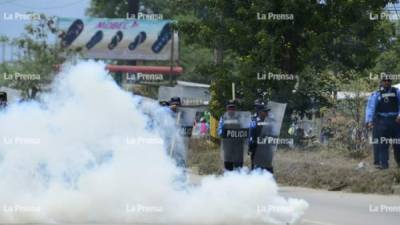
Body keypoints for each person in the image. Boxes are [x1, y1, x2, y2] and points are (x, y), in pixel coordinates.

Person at [365, 76, 400, 169]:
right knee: (383, 144)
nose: (387, 82)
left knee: (398, 144)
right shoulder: (376, 94)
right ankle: (384, 165)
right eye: (385, 81)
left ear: (391, 82)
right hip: (382, 121)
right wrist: (369, 121)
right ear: (381, 82)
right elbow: (371, 108)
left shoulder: (397, 91)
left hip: (396, 121)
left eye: (388, 80)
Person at [217, 100, 247, 171]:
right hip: (228, 146)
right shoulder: (223, 118)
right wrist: (223, 133)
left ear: (235, 109)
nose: (231, 110)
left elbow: (245, 130)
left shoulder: (240, 118)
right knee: (228, 168)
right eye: (230, 108)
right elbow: (219, 130)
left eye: (233, 108)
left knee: (239, 168)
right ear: (227, 109)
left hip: (238, 146)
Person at [249, 104, 275, 173]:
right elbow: (250, 135)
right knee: (256, 170)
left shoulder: (269, 121)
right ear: (260, 112)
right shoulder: (254, 121)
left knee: (269, 170)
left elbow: (272, 134)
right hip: (256, 149)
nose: (267, 113)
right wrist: (251, 145)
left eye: (267, 111)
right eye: (265, 111)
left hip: (266, 149)